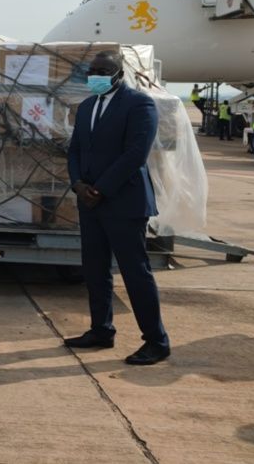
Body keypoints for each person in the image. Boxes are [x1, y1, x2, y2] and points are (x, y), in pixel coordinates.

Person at [65, 51, 170, 365]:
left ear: (118, 73)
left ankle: (156, 340)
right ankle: (101, 330)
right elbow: (75, 151)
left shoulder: (140, 104)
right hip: (90, 202)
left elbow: (136, 153)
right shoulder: (86, 107)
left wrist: (102, 188)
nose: (95, 75)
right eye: (92, 70)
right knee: (95, 270)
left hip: (124, 201)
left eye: (103, 70)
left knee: (135, 273)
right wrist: (78, 184)